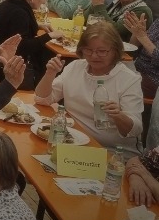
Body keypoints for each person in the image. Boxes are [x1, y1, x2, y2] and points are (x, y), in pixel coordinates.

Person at [34, 21, 144, 153]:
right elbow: (42, 99)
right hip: (71, 142)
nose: (94, 56)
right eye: (88, 50)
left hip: (111, 151)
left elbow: (135, 129)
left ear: (115, 51)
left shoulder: (129, 79)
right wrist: (50, 73)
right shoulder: (75, 67)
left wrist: (118, 115)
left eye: (102, 51)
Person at [0, 0, 60, 88]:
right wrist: (49, 36)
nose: (44, 2)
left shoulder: (9, 4)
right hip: (4, 70)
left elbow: (10, 29)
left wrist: (37, 26)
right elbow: (22, 45)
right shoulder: (20, 13)